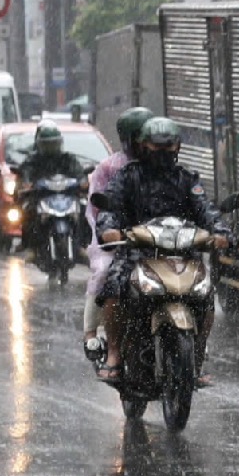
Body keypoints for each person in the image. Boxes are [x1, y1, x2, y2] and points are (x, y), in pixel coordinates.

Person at [96, 117, 218, 383]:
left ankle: (196, 357)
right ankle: (114, 354)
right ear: (143, 146)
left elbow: (206, 209)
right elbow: (111, 208)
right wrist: (109, 229)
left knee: (206, 295)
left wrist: (220, 232)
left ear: (177, 148)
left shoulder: (187, 179)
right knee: (114, 286)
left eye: (168, 147)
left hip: (183, 254)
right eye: (156, 147)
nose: (162, 153)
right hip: (137, 252)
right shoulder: (127, 177)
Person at [83, 108, 152, 362]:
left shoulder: (164, 167)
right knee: (105, 273)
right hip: (118, 242)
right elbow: (98, 209)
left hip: (158, 240)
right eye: (142, 138)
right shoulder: (110, 169)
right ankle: (94, 333)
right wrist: (111, 232)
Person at [15, 122, 91, 256]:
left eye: (53, 143)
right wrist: (26, 184)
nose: (51, 147)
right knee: (28, 210)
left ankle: (82, 244)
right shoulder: (33, 160)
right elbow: (25, 172)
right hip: (41, 196)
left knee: (84, 209)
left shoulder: (67, 158)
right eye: (47, 144)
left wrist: (83, 182)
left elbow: (78, 172)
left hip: (67, 196)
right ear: (39, 144)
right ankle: (31, 246)